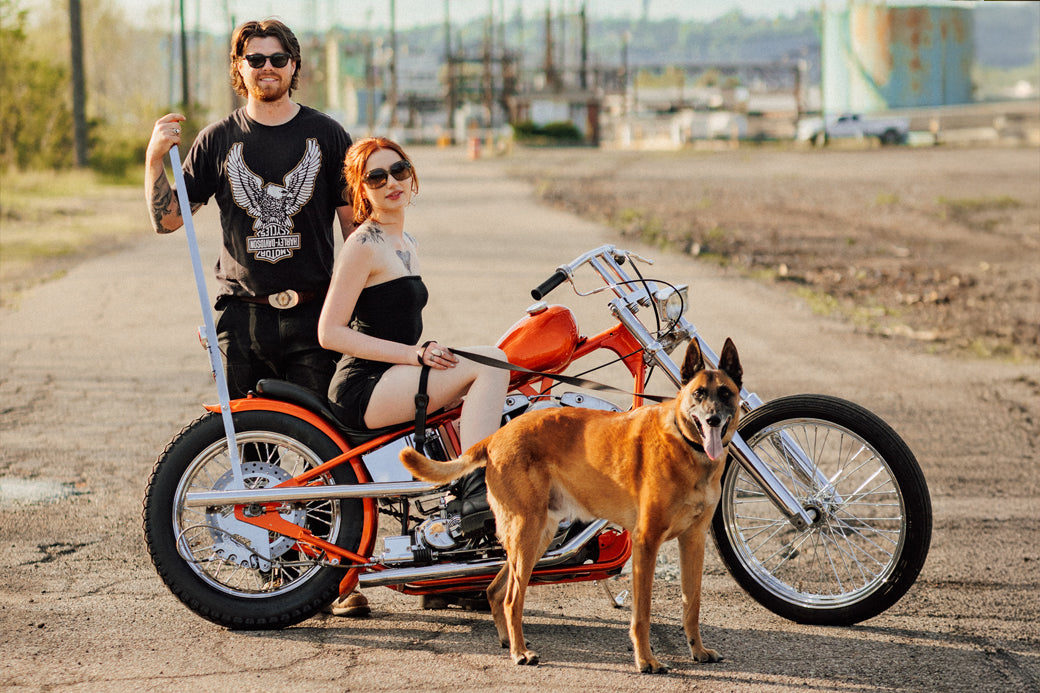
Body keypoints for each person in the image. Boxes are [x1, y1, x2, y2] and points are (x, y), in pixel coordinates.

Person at [144, 19, 370, 618]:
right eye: (255, 59)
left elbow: (356, 229)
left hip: (315, 317)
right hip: (240, 316)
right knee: (255, 456)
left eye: (278, 58)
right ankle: (281, 573)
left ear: (295, 65)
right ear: (238, 67)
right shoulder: (218, 140)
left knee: (328, 452)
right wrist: (152, 163)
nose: (267, 68)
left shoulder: (327, 135)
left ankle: (336, 578)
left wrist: (371, 303)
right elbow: (172, 221)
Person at [318, 137, 511, 609]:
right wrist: (414, 356)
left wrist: (424, 353)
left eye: (399, 170)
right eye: (376, 177)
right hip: (363, 385)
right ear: (362, 190)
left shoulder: (405, 242)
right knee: (492, 363)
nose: (391, 183)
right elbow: (330, 332)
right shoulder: (363, 244)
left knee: (491, 370)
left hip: (392, 375)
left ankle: (454, 566)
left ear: (412, 175)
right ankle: (474, 492)